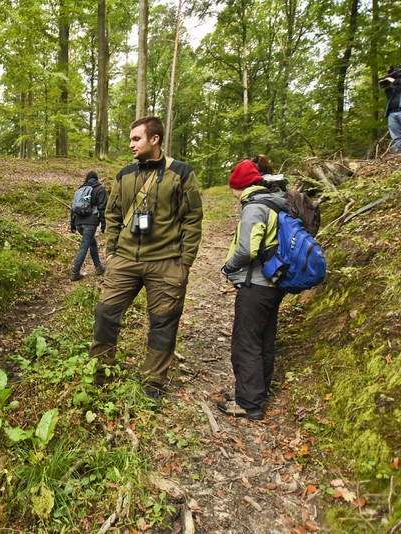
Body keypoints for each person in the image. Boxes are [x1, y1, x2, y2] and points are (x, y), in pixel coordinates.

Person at [89, 116, 203, 403]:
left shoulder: (181, 173)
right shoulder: (125, 174)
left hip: (166, 262)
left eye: (136, 139)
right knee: (105, 314)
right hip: (124, 260)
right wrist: (112, 250)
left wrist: (184, 262)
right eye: (130, 139)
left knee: (163, 322)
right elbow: (112, 213)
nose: (131, 144)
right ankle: (100, 373)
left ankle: (154, 382)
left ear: (155, 139)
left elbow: (192, 219)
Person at [218, 160, 290, 421]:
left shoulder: (254, 208)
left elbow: (247, 249)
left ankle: (249, 403)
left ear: (240, 185)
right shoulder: (276, 201)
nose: (233, 193)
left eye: (233, 188)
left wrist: (228, 267)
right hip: (275, 283)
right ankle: (257, 392)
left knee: (245, 342)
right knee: (264, 339)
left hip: (256, 284)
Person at [70, 170, 107, 281]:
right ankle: (75, 272)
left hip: (78, 222)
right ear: (97, 178)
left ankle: (98, 267)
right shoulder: (100, 189)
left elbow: (73, 208)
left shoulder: (80, 190)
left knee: (92, 243)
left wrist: (72, 224)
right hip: (90, 222)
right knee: (85, 245)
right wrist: (103, 223)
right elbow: (102, 208)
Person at [382, 66, 401, 153]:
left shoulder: (398, 82)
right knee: (395, 137)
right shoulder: (396, 87)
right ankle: (398, 155)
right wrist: (387, 88)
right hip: (392, 113)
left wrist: (393, 80)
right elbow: (390, 99)